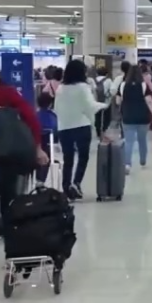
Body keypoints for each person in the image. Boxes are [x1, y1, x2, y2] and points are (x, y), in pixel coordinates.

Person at [0, 60, 46, 221]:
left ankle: (8, 222)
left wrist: (37, 147)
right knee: (8, 192)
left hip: (4, 155)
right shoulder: (9, 93)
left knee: (7, 190)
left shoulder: (7, 94)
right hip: (5, 155)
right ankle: (8, 222)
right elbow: (31, 118)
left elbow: (31, 119)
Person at [54, 59, 106, 200]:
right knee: (83, 157)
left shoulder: (61, 89)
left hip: (64, 127)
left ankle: (66, 187)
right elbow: (90, 106)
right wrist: (103, 105)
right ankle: (76, 183)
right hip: (81, 126)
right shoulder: (83, 87)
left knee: (68, 158)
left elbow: (56, 108)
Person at [117, 65, 152, 174]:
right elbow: (149, 101)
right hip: (143, 117)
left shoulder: (122, 85)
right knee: (142, 140)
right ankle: (143, 161)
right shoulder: (144, 85)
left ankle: (127, 164)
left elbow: (118, 101)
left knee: (128, 141)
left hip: (128, 116)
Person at [92, 65, 114, 138]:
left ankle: (98, 132)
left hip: (95, 102)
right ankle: (103, 131)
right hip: (106, 102)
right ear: (106, 73)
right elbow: (112, 91)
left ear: (97, 73)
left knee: (97, 117)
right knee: (106, 118)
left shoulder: (93, 81)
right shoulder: (108, 80)